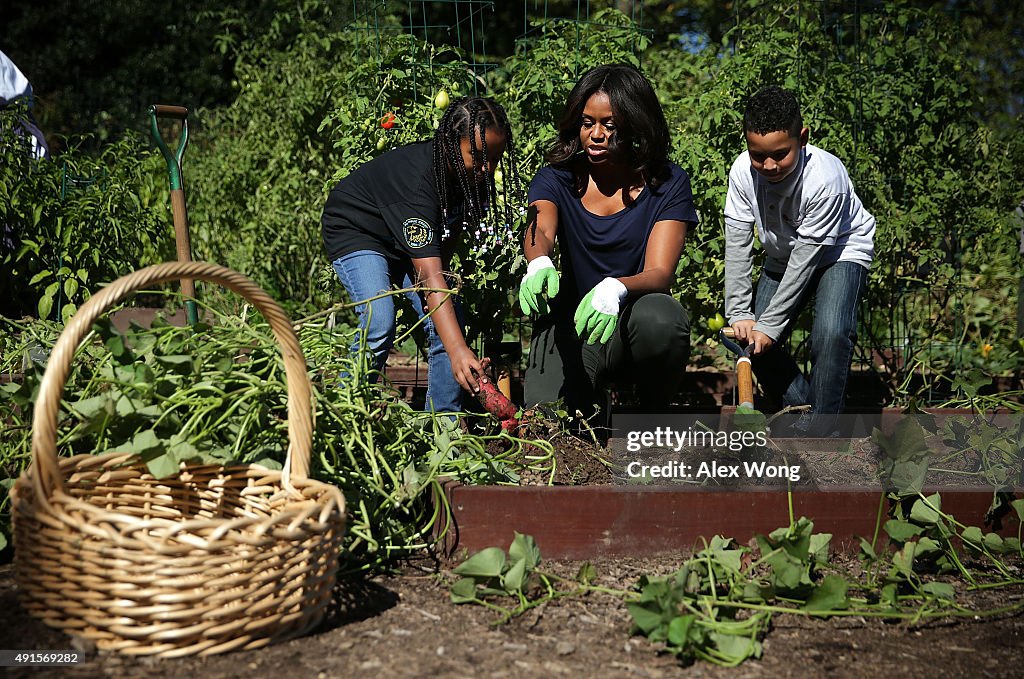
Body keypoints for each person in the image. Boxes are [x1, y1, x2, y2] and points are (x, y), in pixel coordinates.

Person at [519, 64, 698, 433]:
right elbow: (543, 225)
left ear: (635, 125)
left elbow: (660, 272)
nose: (596, 135)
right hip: (571, 325)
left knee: (662, 320)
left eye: (610, 126)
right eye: (587, 123)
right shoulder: (560, 175)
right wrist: (538, 262)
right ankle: (592, 408)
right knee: (549, 423)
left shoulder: (666, 182)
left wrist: (616, 287)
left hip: (630, 327)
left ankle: (649, 419)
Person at [321, 96, 522, 412]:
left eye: (495, 158)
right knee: (379, 321)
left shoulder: (472, 179)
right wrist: (458, 350)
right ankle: (343, 410)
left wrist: (441, 309)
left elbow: (444, 245)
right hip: (359, 229)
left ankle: (443, 429)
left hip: (399, 237)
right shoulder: (419, 183)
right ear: (450, 145)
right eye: (479, 156)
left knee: (447, 315)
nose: (488, 168)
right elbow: (430, 276)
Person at [723, 85, 875, 435]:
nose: (769, 165)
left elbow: (806, 263)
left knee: (832, 332)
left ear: (802, 137)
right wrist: (741, 313)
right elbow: (738, 245)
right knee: (749, 340)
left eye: (781, 153)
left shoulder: (826, 180)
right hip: (782, 253)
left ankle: (822, 432)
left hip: (838, 250)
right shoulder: (743, 173)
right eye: (758, 155)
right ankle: (807, 409)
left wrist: (769, 327)